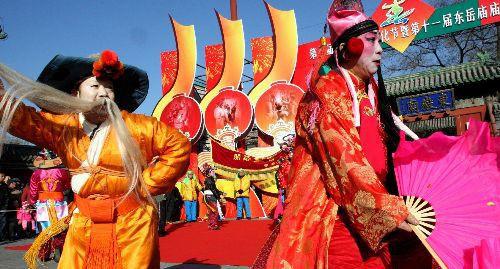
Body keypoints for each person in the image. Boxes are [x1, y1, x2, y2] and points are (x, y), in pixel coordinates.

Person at [252, 1, 419, 268]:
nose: (379, 50)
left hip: (376, 207)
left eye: (379, 42)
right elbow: (344, 162)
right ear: (349, 47)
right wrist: (388, 210)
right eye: (370, 41)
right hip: (335, 212)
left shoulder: (370, 91)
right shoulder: (327, 92)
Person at [0, 50, 191, 269]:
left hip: (132, 223)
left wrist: (145, 185)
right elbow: (26, 121)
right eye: (95, 86)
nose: (104, 93)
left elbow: (179, 146)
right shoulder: (63, 127)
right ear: (76, 93)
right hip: (83, 221)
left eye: (109, 87)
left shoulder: (139, 126)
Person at [29, 149, 71, 260]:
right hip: (59, 202)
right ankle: (60, 252)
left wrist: (32, 202)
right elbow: (67, 186)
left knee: (44, 228)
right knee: (60, 227)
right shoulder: (62, 172)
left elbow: (33, 191)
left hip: (43, 203)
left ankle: (43, 254)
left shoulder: (36, 173)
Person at [201, 164, 226, 230]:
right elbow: (213, 189)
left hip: (211, 196)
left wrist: (221, 193)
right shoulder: (209, 180)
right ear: (209, 172)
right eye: (212, 171)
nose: (213, 172)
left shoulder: (210, 179)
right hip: (210, 196)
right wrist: (219, 196)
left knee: (212, 211)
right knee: (215, 210)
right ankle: (213, 224)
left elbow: (215, 189)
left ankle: (211, 224)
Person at [0, 172, 10, 241]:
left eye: (4, 176)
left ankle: (1, 236)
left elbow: (7, 197)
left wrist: (5, 205)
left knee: (3, 221)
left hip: (3, 207)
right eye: (2, 176)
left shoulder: (4, 186)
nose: (3, 177)